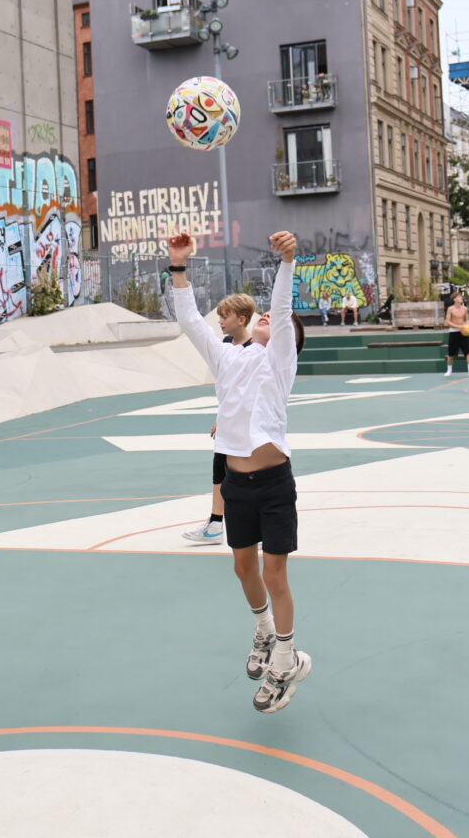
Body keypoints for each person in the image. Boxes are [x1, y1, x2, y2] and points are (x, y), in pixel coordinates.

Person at [168, 230, 308, 714]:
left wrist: (286, 260)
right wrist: (178, 265)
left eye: (273, 319)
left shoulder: (278, 362)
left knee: (275, 572)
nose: (267, 317)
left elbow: (283, 309)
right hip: (237, 484)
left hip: (273, 483)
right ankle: (265, 630)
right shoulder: (227, 355)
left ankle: (288, 657)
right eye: (261, 316)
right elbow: (189, 319)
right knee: (242, 567)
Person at [183, 323, 242, 546]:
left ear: (241, 318)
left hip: (250, 427)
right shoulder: (226, 345)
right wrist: (222, 418)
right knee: (221, 468)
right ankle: (216, 524)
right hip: (231, 423)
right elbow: (229, 391)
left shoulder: (257, 350)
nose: (220, 320)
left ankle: (254, 527)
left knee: (248, 476)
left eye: (226, 315)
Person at [444, 291, 469, 377]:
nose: (461, 298)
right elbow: (447, 322)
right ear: (455, 299)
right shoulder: (450, 309)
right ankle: (449, 370)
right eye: (459, 297)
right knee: (451, 353)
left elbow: (466, 320)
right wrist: (458, 326)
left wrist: (467, 326)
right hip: (453, 332)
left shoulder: (465, 308)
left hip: (464, 332)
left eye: (461, 297)